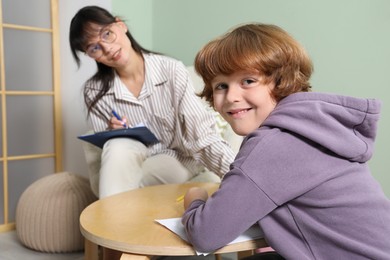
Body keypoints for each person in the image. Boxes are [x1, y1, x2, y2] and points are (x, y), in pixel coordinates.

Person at [181, 23, 390, 259]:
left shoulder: (273, 145)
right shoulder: (312, 126)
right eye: (221, 85)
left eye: (248, 81)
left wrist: (195, 199)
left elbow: (205, 234)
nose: (231, 97)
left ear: (282, 81)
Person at [69, 5, 235, 199]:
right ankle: (114, 218)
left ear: (121, 26)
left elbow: (200, 133)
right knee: (117, 144)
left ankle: (111, 222)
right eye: (94, 48)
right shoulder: (94, 92)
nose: (107, 48)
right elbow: (110, 154)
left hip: (180, 157)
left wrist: (239, 172)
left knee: (123, 189)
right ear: (90, 55)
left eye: (107, 34)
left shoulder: (170, 69)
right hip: (135, 158)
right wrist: (113, 133)